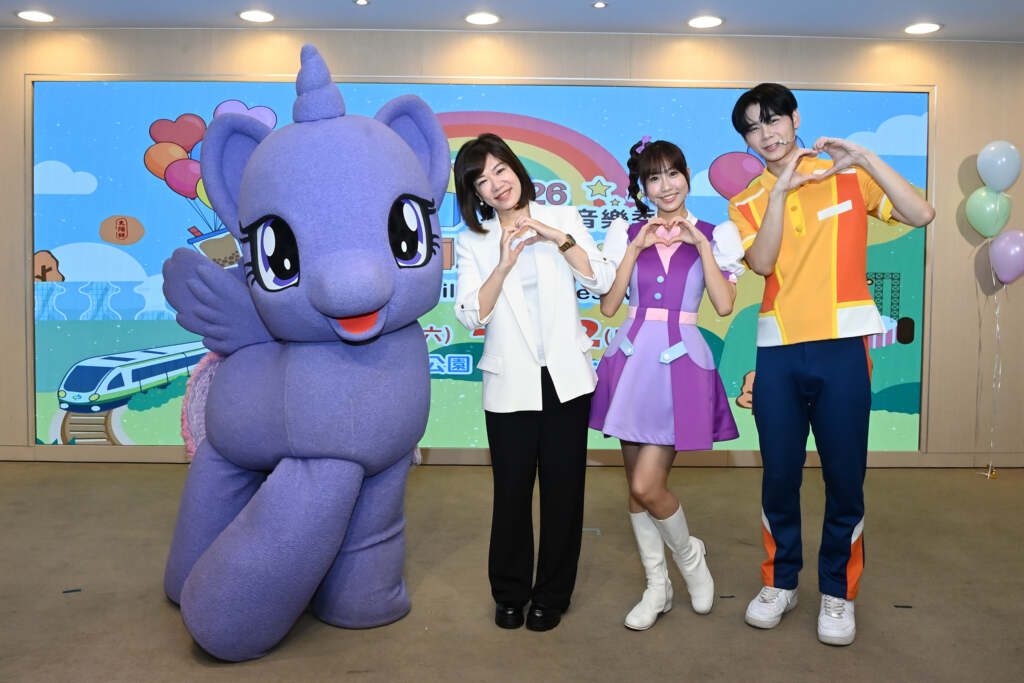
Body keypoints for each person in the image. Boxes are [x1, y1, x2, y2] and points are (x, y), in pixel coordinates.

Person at [728, 83, 935, 645]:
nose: (766, 134)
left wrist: (865, 157)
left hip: (843, 347)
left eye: (774, 120)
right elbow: (762, 262)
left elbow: (922, 212)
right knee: (779, 477)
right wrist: (779, 192)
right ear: (746, 140)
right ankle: (780, 582)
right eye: (753, 127)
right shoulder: (745, 200)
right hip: (778, 350)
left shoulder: (846, 175)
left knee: (845, 478)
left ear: (795, 119)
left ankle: (838, 592)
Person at [452, 133, 616, 632]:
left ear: (516, 168)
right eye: (482, 181)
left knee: (565, 493)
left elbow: (602, 281)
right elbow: (470, 315)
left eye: (500, 170)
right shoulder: (473, 240)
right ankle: (509, 593)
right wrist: (503, 262)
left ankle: (552, 595)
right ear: (475, 195)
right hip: (510, 384)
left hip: (566, 380)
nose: (496, 184)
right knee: (511, 492)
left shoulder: (562, 218)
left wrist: (556, 237)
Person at [590, 137, 744, 630]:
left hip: (679, 365)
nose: (665, 186)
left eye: (672, 173)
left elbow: (724, 305)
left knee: (647, 484)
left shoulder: (716, 234)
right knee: (635, 490)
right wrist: (635, 248)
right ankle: (657, 587)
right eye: (653, 178)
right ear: (643, 187)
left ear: (687, 176)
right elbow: (608, 307)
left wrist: (700, 244)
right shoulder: (627, 233)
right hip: (631, 360)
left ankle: (690, 558)